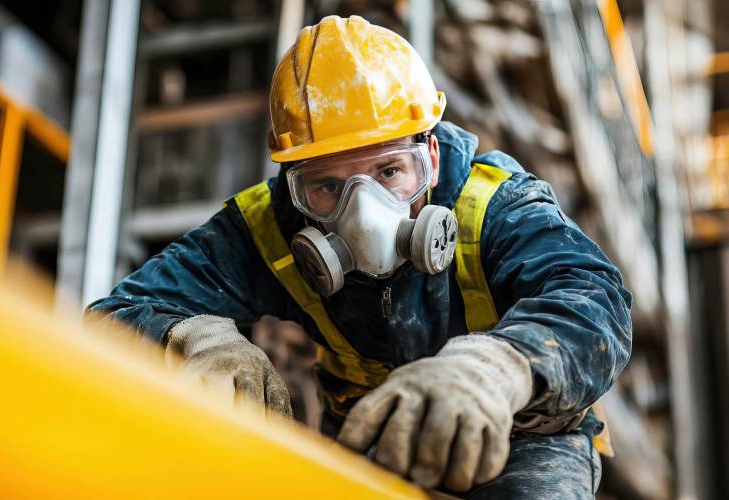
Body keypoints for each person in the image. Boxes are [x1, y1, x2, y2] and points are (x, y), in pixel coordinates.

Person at [88, 15, 631, 498]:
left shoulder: (495, 206)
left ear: (432, 156)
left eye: (389, 172)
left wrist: (494, 370)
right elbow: (115, 314)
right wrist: (193, 338)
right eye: (325, 187)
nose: (363, 212)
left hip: (518, 434)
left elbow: (594, 302)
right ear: (291, 185)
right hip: (370, 430)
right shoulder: (266, 227)